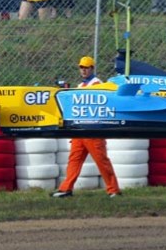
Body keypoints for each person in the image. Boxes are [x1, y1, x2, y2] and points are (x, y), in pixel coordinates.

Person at [52, 56, 122, 199]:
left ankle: (113, 190)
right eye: (81, 67)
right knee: (74, 160)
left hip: (93, 130)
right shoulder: (80, 86)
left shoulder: (98, 85)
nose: (83, 70)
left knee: (101, 161)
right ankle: (66, 189)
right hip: (79, 130)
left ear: (92, 68)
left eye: (86, 67)